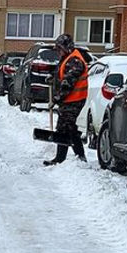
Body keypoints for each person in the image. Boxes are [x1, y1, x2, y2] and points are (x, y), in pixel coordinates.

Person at [43, 34, 88, 166]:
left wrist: (56, 99)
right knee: (70, 129)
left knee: (63, 129)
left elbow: (68, 83)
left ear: (66, 48)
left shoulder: (75, 61)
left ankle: (60, 159)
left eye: (59, 49)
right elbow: (61, 74)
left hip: (74, 100)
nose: (58, 52)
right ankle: (80, 156)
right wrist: (53, 77)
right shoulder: (67, 58)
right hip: (69, 100)